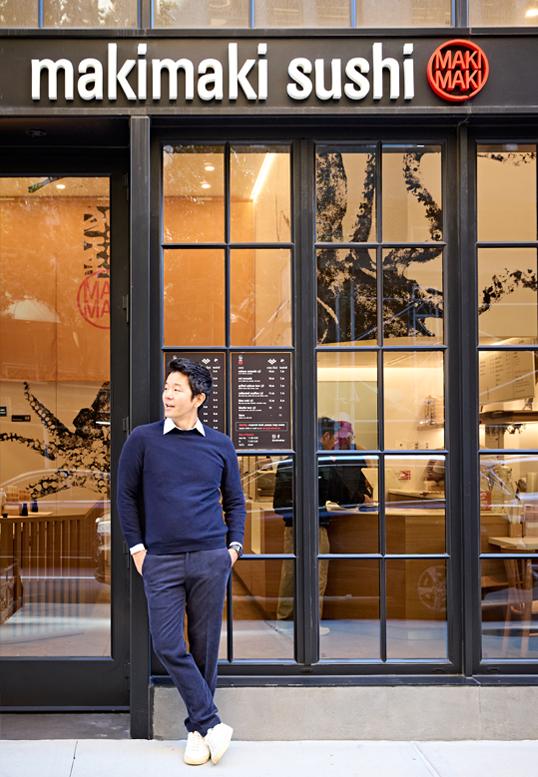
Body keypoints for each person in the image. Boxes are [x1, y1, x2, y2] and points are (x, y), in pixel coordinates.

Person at [117, 357, 246, 766]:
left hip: (211, 558)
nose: (168, 394)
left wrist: (234, 549)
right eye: (167, 387)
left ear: (198, 398)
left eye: (177, 389)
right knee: (169, 645)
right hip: (162, 561)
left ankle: (196, 732)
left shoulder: (220, 444)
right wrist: (137, 549)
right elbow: (126, 497)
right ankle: (211, 722)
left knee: (206, 647)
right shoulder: (143, 438)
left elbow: (236, 501)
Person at [273, 417, 372, 623]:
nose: (334, 442)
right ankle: (309, 626)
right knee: (316, 578)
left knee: (290, 576)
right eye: (333, 437)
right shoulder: (322, 460)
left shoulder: (287, 461)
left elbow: (278, 504)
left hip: (292, 528)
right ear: (325, 436)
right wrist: (362, 498)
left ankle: (284, 621)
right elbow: (343, 495)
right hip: (316, 527)